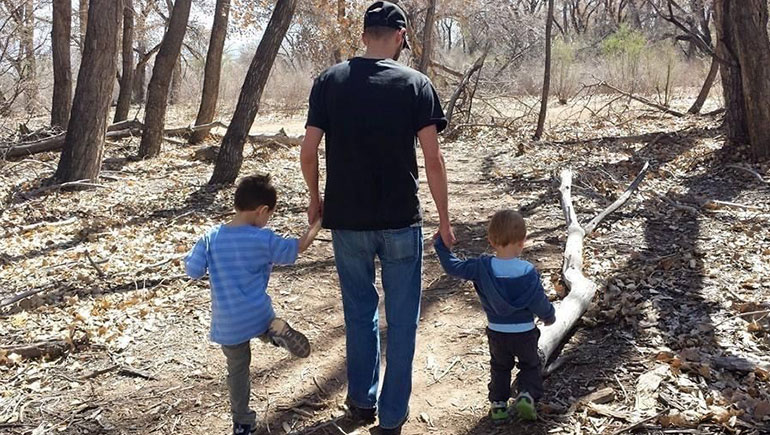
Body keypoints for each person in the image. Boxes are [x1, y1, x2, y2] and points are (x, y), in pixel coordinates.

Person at [299, 1, 454, 433]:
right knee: (402, 321)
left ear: (364, 34)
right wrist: (443, 218)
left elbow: (308, 151)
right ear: (401, 36)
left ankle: (361, 403)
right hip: (401, 219)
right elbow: (433, 159)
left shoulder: (329, 81)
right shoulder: (416, 84)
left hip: (347, 220)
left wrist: (315, 200)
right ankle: (391, 416)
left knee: (359, 312)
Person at [184, 174, 321, 435]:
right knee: (265, 326)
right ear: (262, 211)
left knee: (237, 371)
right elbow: (298, 247)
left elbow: (193, 271)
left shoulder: (211, 237)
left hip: (229, 320)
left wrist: (190, 255)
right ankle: (276, 333)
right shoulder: (263, 239)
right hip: (258, 314)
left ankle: (243, 421)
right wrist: (318, 222)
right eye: (268, 215)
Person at [434, 210, 555, 423]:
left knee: (499, 367)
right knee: (530, 365)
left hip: (497, 332)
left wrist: (441, 247)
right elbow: (539, 301)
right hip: (525, 332)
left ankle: (498, 405)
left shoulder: (481, 268)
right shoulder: (527, 271)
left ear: (490, 240)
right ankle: (527, 395)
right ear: (522, 242)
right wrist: (549, 316)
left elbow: (453, 267)